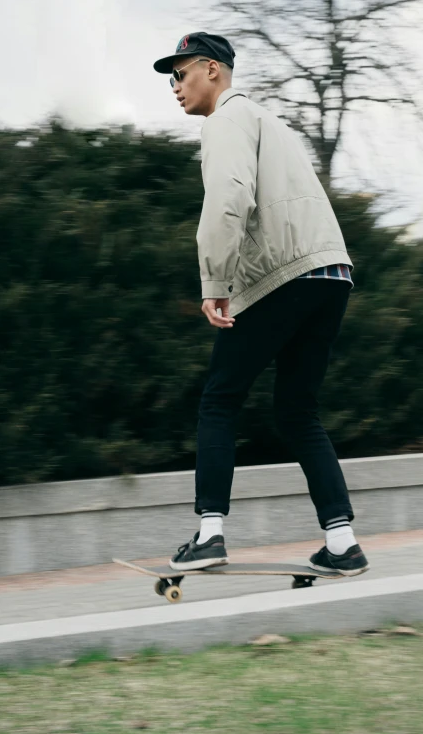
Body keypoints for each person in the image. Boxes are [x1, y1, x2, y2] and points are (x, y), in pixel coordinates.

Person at [153, 32, 369, 578]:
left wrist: (214, 281)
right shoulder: (269, 122)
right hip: (330, 271)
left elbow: (229, 200)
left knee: (219, 399)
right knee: (298, 410)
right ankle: (342, 541)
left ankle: (210, 533)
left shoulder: (225, 120)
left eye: (179, 74)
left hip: (283, 275)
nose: (174, 87)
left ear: (211, 69)